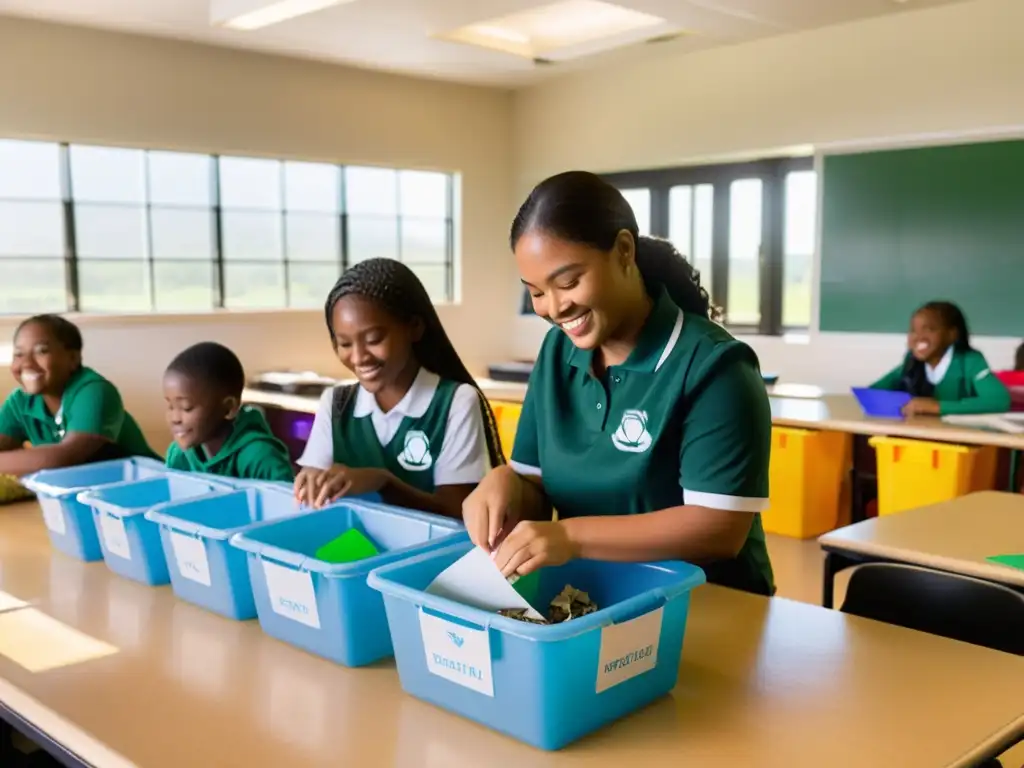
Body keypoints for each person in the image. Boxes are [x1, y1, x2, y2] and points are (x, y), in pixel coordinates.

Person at [463, 170, 775, 596]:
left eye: (568, 282)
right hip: (593, 598)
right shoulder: (556, 354)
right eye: (536, 292)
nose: (554, 308)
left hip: (708, 604)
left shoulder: (715, 367)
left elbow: (717, 528)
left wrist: (569, 538)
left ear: (624, 250)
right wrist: (505, 484)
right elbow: (536, 490)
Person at [294, 258, 504, 518]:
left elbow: (458, 514)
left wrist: (383, 483)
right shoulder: (336, 403)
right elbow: (313, 484)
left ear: (414, 327)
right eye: (345, 344)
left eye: (374, 339)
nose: (359, 357)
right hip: (355, 551)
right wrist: (311, 481)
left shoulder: (454, 402)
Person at [0, 314, 159, 476]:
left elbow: (63, 458)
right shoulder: (20, 402)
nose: (26, 363)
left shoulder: (95, 391)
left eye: (42, 351)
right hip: (81, 493)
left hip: (147, 487)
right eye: (19, 354)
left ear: (73, 358)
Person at [163, 341, 294, 482]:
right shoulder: (178, 454)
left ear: (228, 408)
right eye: (170, 406)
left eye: (186, 407)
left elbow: (285, 501)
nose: (175, 418)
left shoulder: (260, 457)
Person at [870, 301, 1010, 416]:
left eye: (929, 329)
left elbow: (999, 401)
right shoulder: (912, 362)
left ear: (952, 335)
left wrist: (937, 407)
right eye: (913, 330)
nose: (919, 337)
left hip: (962, 440)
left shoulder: (970, 361)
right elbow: (874, 391)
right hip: (920, 435)